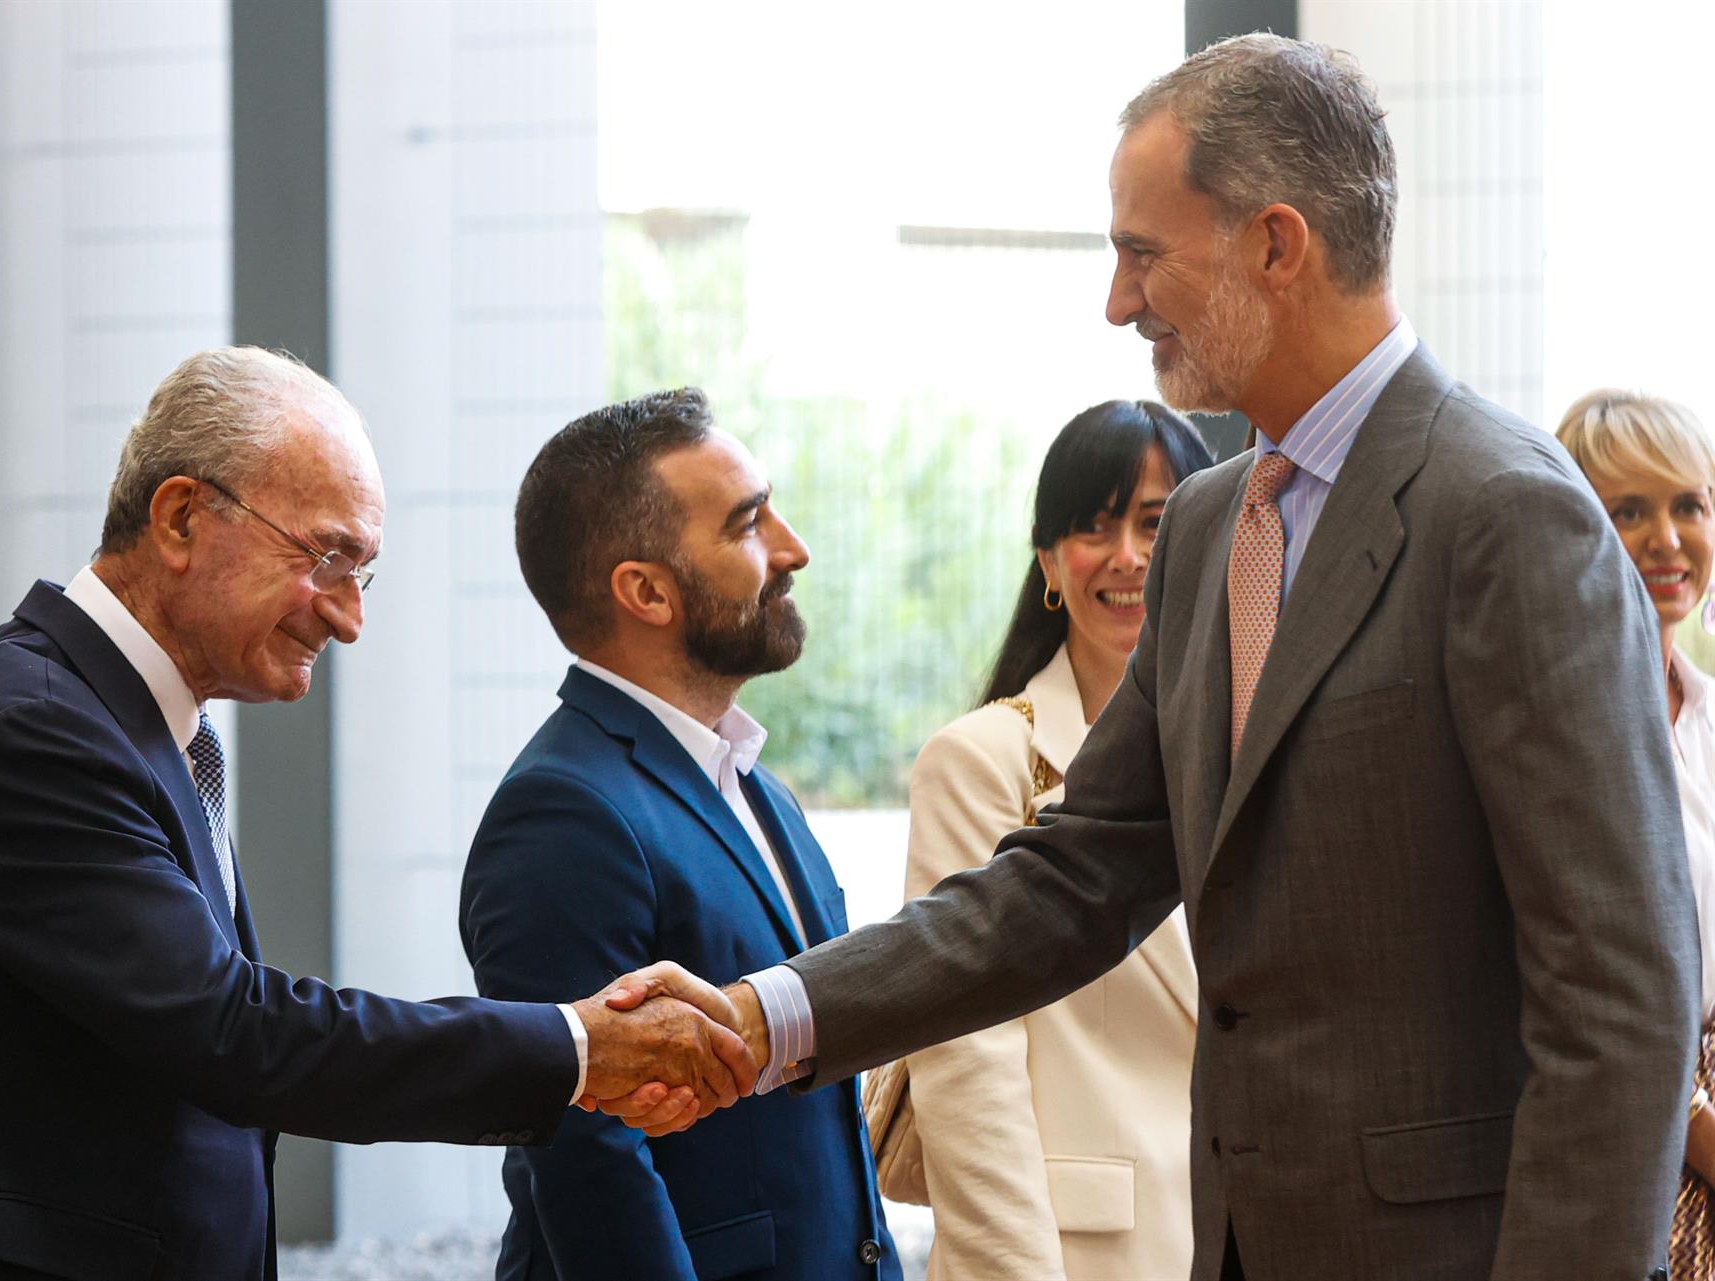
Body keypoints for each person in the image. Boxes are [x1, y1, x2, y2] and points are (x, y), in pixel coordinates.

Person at [610, 34, 1699, 1281]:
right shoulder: (1209, 521)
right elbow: (1075, 876)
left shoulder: (1507, 513)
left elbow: (1622, 993)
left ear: (1277, 245)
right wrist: (766, 1014)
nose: (1117, 302)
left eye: (1141, 253)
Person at [0, 348, 753, 1281]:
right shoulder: (33, 733)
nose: (348, 617)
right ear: (180, 517)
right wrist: (578, 1044)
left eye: (362, 574)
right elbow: (236, 1032)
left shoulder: (132, 727)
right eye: (327, 557)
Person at [459, 388, 898, 1281]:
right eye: (748, 524)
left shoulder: (755, 783)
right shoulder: (561, 811)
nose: (793, 547)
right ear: (646, 591)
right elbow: (591, 1164)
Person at [902, 400, 1209, 1279]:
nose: (1127, 555)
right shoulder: (982, 761)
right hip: (1076, 1256)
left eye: (1157, 522)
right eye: (1093, 525)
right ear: (1048, 559)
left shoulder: (1253, 748)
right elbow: (967, 1060)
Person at [1555, 390, 1715, 1277]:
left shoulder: (1709, 717)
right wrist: (1698, 1128)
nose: (1668, 538)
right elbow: (1575, 973)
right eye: (1630, 510)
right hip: (1641, 1148)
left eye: (1688, 504)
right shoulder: (1558, 724)